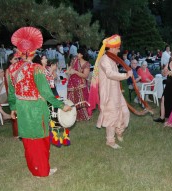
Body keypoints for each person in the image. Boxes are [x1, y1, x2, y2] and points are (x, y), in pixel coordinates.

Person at [7, 27, 72, 177]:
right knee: (41, 139)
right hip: (36, 109)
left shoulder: (11, 69)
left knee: (29, 140)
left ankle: (34, 168)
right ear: (32, 52)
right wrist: (62, 106)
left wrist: (13, 108)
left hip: (22, 109)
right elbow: (46, 93)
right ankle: (43, 171)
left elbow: (12, 92)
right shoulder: (36, 69)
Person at [88, 34, 133, 149]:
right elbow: (110, 74)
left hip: (116, 92)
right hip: (108, 93)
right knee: (111, 116)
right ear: (112, 48)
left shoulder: (112, 59)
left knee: (125, 112)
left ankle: (119, 130)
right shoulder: (104, 59)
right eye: (118, 48)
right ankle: (110, 141)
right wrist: (125, 75)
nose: (118, 50)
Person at [153, 49, 172, 123]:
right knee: (163, 99)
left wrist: (169, 73)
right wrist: (163, 72)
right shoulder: (169, 62)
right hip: (168, 85)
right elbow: (164, 73)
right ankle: (162, 117)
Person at [66, 48, 91, 121]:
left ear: (82, 55)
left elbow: (85, 76)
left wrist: (75, 72)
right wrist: (68, 71)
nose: (77, 55)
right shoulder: (74, 60)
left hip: (81, 84)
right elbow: (70, 68)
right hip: (71, 83)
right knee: (71, 99)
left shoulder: (86, 64)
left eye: (79, 53)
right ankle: (72, 116)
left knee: (81, 100)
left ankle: (82, 115)